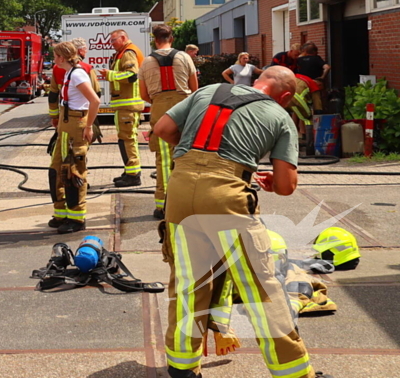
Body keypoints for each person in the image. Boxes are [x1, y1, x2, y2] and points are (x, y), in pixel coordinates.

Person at [153, 67, 332, 378]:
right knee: (261, 288)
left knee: (188, 282)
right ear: (286, 96)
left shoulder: (208, 91)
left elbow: (163, 128)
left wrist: (192, 157)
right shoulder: (279, 116)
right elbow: (287, 185)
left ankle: (182, 366)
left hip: (179, 192)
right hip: (227, 199)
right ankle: (294, 372)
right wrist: (268, 181)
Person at [139, 24, 198, 220]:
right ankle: (187, 202)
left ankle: (162, 205)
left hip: (159, 110)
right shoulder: (185, 57)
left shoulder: (146, 62)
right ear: (171, 38)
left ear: (155, 40)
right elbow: (194, 88)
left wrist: (159, 102)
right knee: (187, 157)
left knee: (163, 160)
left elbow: (143, 94)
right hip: (184, 107)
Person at [47, 41, 101, 233]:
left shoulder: (77, 74)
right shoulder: (70, 73)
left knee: (74, 172)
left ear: (62, 57)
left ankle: (77, 218)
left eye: (55, 56)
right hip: (66, 127)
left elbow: (95, 100)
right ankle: (61, 213)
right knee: (57, 170)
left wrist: (88, 126)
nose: (53, 59)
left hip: (76, 127)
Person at [98, 30, 144, 187]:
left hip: (128, 105)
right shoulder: (122, 53)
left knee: (128, 140)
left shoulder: (128, 53)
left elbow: (131, 75)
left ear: (123, 38)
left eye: (113, 40)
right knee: (125, 140)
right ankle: (130, 171)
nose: (111, 44)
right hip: (124, 106)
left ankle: (133, 175)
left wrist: (110, 75)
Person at [295, 43, 329, 112]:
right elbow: (327, 67)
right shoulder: (317, 58)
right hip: (314, 84)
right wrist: (322, 77)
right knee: (318, 104)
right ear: (315, 52)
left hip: (301, 84)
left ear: (305, 51)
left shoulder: (298, 60)